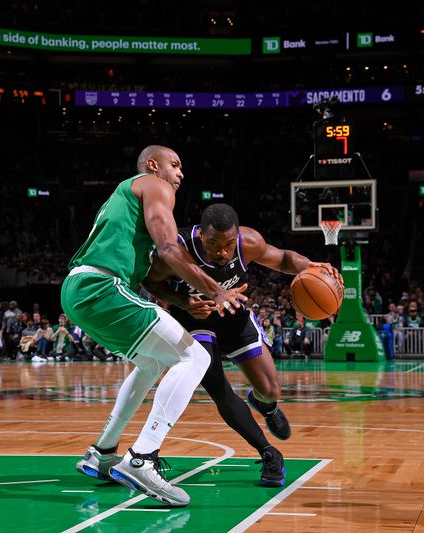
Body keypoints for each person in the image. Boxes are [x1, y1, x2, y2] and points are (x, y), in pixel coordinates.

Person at [62, 146, 245, 507]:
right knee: (195, 357)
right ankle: (142, 459)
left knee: (151, 362)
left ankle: (102, 453)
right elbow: (168, 249)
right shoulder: (152, 185)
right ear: (152, 165)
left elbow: (153, 279)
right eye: (174, 165)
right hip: (102, 286)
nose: (179, 174)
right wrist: (216, 289)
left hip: (82, 290)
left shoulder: (132, 208)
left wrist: (183, 302)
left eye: (181, 168)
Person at [143, 203, 342, 486]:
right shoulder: (178, 249)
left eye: (227, 244)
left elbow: (283, 258)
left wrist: (310, 266)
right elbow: (151, 281)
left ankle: (265, 404)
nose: (222, 252)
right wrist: (182, 301)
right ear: (201, 236)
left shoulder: (247, 242)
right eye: (214, 244)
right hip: (195, 318)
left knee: (271, 388)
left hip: (234, 315)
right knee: (219, 389)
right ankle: (268, 452)